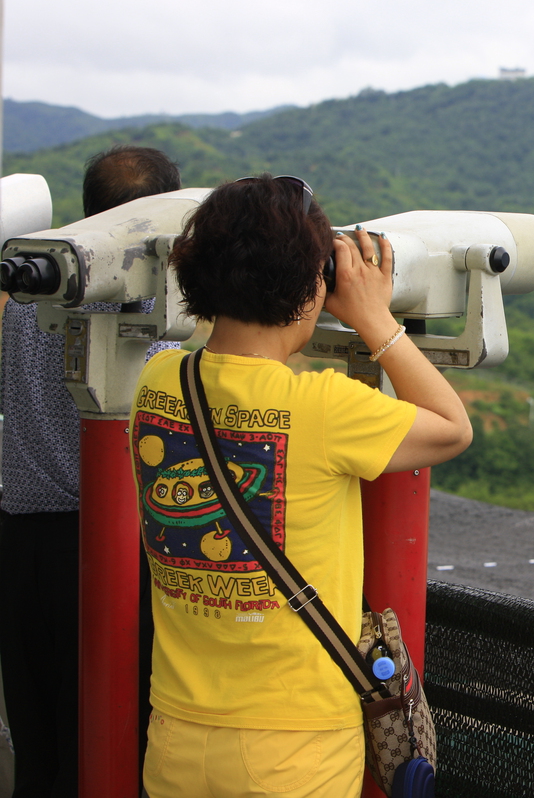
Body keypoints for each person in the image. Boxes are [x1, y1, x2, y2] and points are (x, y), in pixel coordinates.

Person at [131, 174, 471, 798]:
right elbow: (452, 428)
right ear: (313, 284)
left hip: (176, 733)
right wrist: (375, 319)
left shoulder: (157, 382)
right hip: (295, 747)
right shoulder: (324, 407)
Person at [0, 144, 181, 798]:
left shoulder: (28, 295)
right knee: (103, 738)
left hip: (20, 546)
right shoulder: (147, 311)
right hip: (106, 547)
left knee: (37, 743)